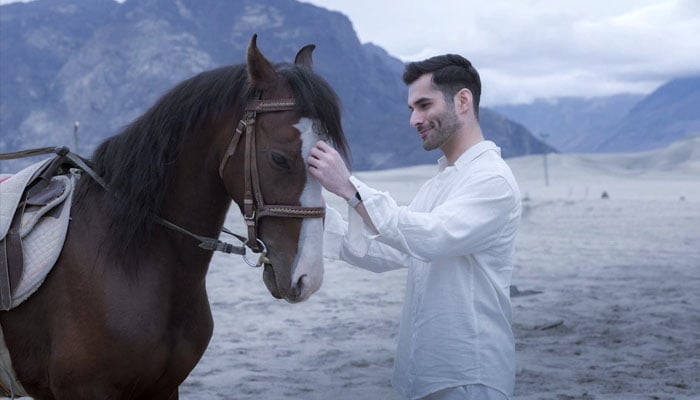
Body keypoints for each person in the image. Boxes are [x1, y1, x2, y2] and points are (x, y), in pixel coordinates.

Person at [308, 54, 521, 400]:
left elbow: (432, 237)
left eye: (424, 105)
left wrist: (349, 187)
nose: (414, 119)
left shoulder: (492, 179)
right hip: (425, 373)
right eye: (411, 108)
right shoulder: (440, 183)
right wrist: (314, 214)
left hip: (469, 376)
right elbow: (387, 249)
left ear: (463, 101)